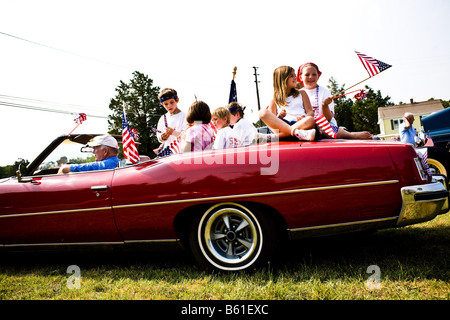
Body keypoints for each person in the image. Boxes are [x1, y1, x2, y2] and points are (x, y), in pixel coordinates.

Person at [297, 62, 373, 140]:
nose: (310, 77)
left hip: (326, 126)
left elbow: (329, 118)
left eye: (314, 74)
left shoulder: (324, 91)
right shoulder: (296, 94)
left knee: (324, 129)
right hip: (307, 127)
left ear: (318, 76)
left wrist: (325, 105)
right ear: (300, 77)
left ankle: (350, 135)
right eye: (307, 75)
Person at [258, 66, 316, 141]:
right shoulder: (274, 99)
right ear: (283, 80)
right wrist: (279, 117)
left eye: (295, 75)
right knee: (262, 112)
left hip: (300, 124)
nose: (295, 78)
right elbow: (271, 123)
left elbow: (310, 112)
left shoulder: (302, 93)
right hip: (283, 126)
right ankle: (296, 133)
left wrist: (303, 118)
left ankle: (276, 137)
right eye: (292, 76)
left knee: (310, 119)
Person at [156, 88, 188, 153]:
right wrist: (163, 137)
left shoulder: (185, 116)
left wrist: (173, 132)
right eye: (166, 104)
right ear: (162, 104)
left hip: (181, 152)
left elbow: (187, 136)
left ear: (177, 100)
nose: (169, 106)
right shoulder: (163, 118)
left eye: (171, 102)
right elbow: (159, 138)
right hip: (168, 153)